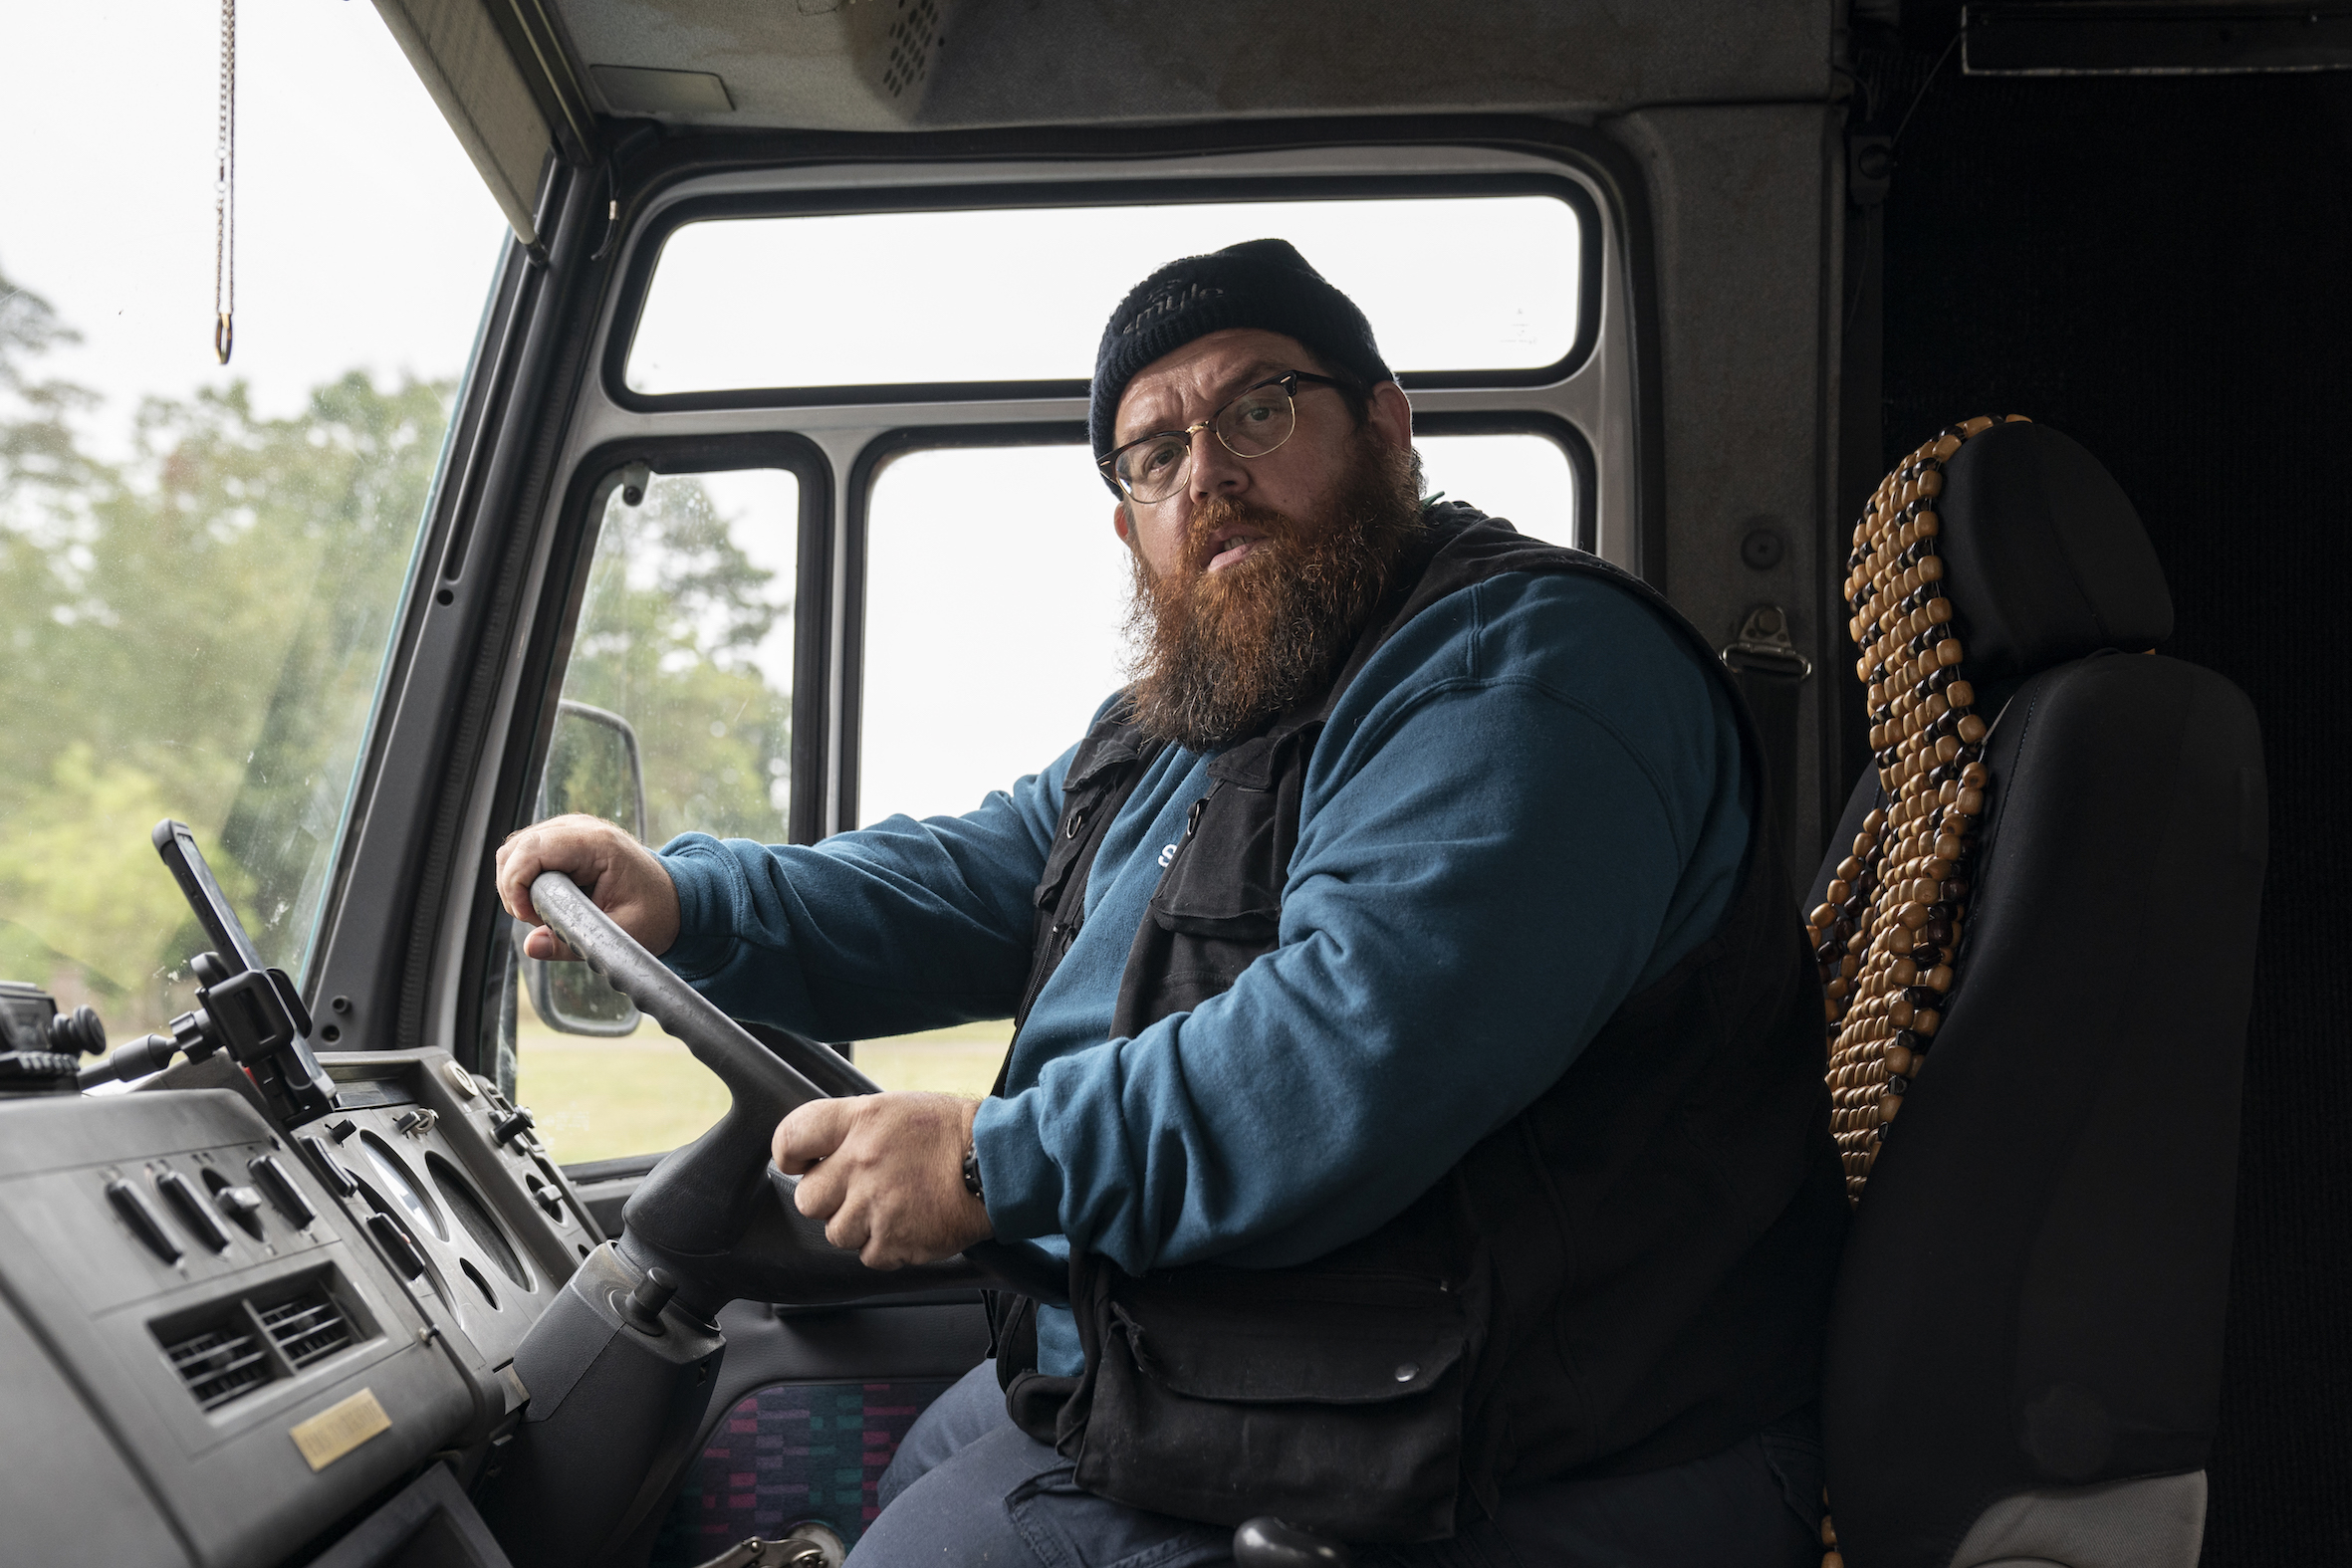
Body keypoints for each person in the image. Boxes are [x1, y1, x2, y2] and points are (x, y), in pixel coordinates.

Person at [497, 239, 1845, 1567]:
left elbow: (1342, 1052)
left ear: (1385, 426)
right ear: (1129, 518)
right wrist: (690, 901)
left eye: (1259, 409)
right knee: (924, 1462)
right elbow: (982, 875)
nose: (1208, 473)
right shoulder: (1198, 715)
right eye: (1154, 452)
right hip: (1272, 1360)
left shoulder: (1527, 674)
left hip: (1531, 1447)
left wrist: (987, 1163)